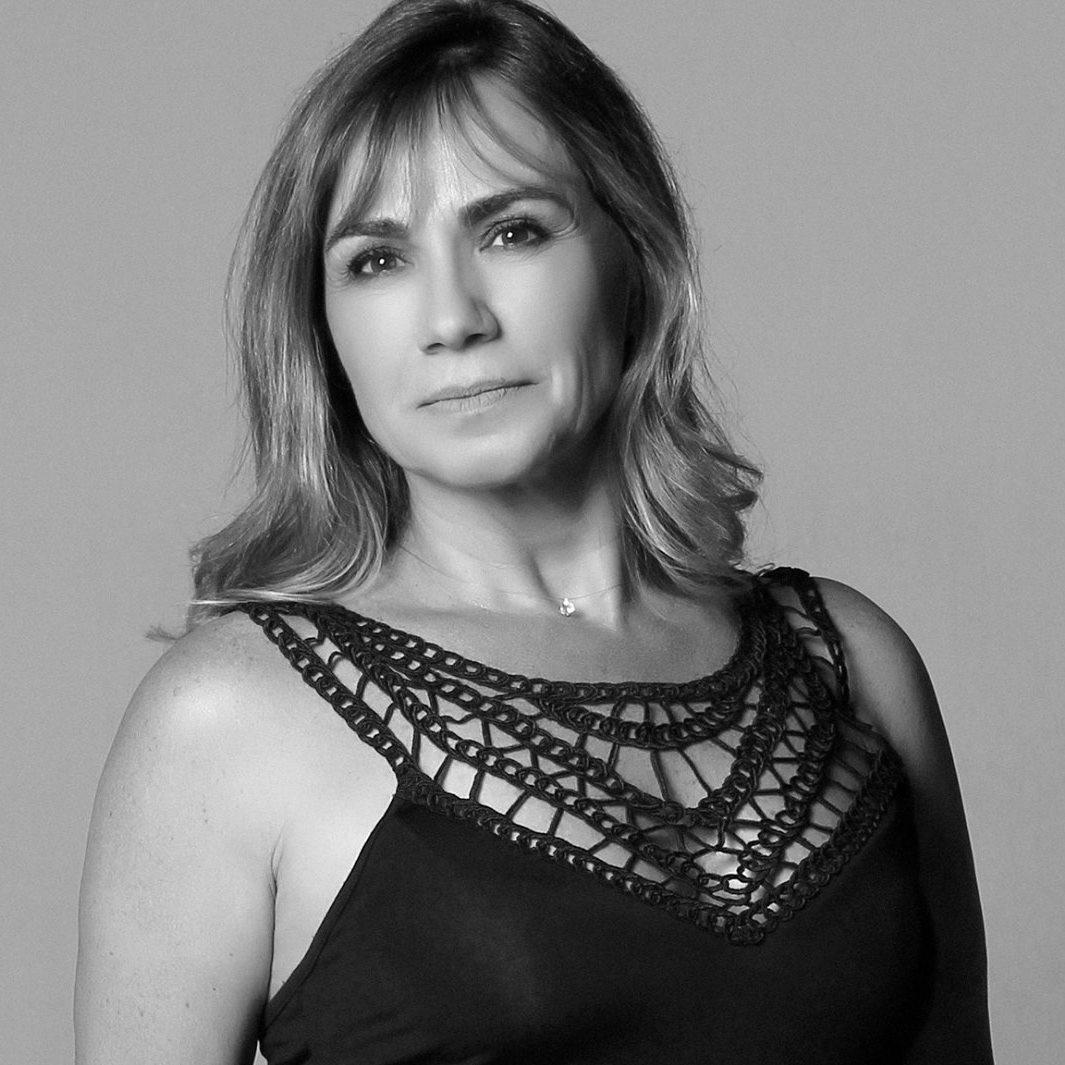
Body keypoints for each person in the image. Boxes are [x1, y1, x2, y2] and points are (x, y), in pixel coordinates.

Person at [75, 1, 993, 1062]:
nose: (452, 318)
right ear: (321, 327)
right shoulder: (226, 721)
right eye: (376, 260)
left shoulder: (853, 664)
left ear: (635, 256)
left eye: (511, 231)